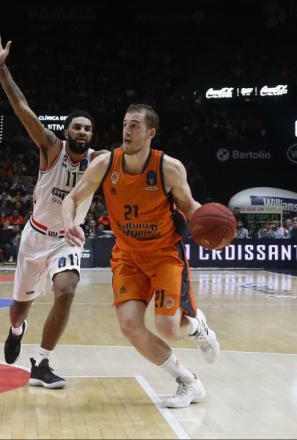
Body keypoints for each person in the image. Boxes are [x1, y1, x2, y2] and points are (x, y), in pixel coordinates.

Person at [61, 104, 220, 408]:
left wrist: (210, 228)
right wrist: (70, 222)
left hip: (164, 255)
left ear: (151, 133)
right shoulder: (105, 164)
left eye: (135, 125)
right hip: (127, 257)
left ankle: (198, 326)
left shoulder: (168, 168)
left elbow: (188, 206)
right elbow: (72, 198)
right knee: (130, 326)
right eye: (124, 124)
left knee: (168, 328)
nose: (127, 131)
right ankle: (188, 382)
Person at [0, 30, 107, 388]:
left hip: (67, 240)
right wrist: (1, 68)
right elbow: (21, 109)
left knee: (66, 290)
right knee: (20, 308)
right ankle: (16, 328)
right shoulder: (51, 148)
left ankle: (41, 363)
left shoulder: (100, 162)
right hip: (34, 237)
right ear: (67, 131)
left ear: (91, 134)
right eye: (77, 127)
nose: (82, 132)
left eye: (88, 128)